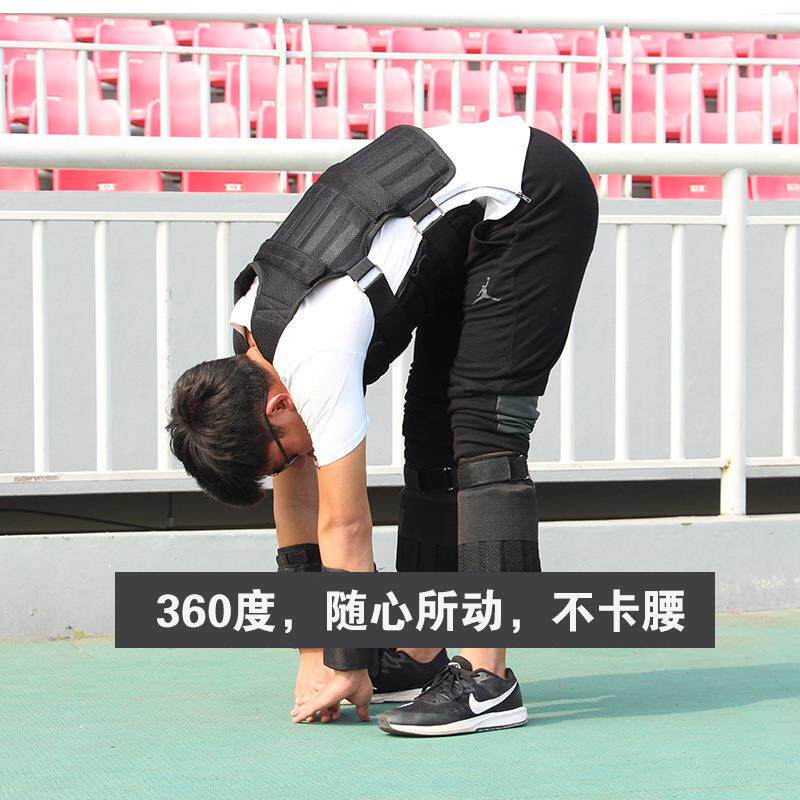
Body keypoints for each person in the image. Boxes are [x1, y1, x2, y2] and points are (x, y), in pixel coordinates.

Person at [167, 115, 598, 737]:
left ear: (278, 408)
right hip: (465, 219)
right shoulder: (254, 354)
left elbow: (344, 523)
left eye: (283, 455)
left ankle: (488, 681)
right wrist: (314, 654)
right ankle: (423, 653)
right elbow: (297, 516)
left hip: (532, 194)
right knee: (431, 431)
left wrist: (346, 664)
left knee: (483, 425)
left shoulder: (312, 354)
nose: (297, 464)